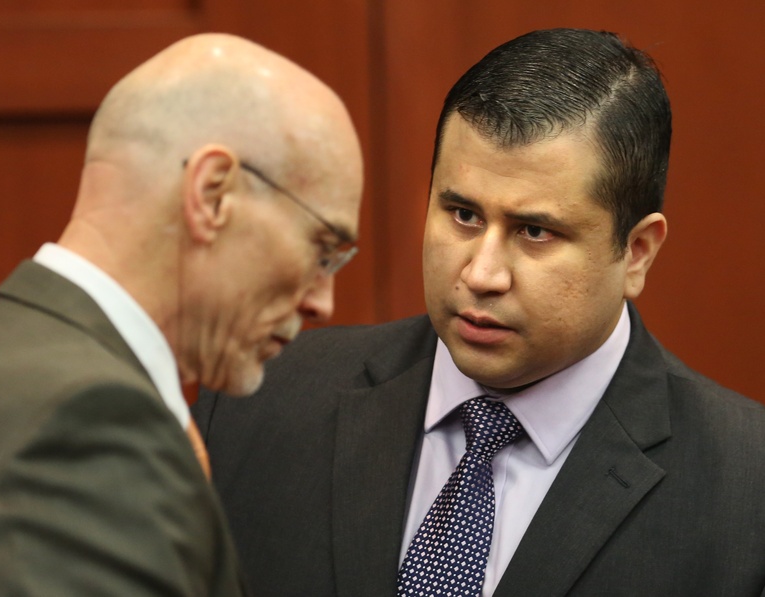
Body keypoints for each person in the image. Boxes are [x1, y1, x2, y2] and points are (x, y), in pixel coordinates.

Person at [193, 28, 765, 597]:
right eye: (463, 215)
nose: (480, 275)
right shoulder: (260, 400)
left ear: (636, 252)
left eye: (534, 231)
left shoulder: (747, 492)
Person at [0, 32, 363, 595]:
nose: (321, 302)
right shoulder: (91, 423)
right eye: (322, 249)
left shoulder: (6, 355)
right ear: (212, 195)